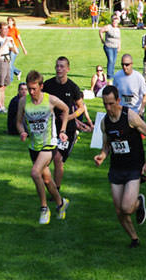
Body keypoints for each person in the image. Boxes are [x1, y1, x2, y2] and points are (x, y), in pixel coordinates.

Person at [94, 85, 146, 248]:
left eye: (111, 103)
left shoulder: (129, 116)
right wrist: (102, 156)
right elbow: (107, 146)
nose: (108, 107)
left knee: (127, 208)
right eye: (105, 104)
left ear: (118, 101)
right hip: (116, 168)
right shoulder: (105, 122)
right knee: (119, 211)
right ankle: (134, 239)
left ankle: (138, 202)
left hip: (134, 166)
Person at [15, 70, 70, 225]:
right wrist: (22, 132)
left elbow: (66, 109)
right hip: (34, 146)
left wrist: (63, 130)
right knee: (46, 179)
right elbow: (18, 122)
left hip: (49, 144)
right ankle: (61, 203)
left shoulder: (50, 99)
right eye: (29, 89)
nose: (31, 92)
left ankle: (44, 208)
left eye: (34, 88)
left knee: (34, 173)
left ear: (41, 86)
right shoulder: (23, 102)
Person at [43, 56, 90, 194]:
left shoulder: (73, 87)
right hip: (50, 127)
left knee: (58, 159)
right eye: (57, 66)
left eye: (62, 66)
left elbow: (81, 108)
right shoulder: (48, 85)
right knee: (45, 160)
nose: (59, 69)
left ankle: (56, 190)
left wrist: (69, 117)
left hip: (67, 129)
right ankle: (48, 186)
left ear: (68, 69)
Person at [0, 21, 17, 113]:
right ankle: (0, 106)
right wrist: (5, 42)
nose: (6, 31)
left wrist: (13, 43)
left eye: (7, 29)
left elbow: (15, 51)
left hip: (7, 61)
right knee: (0, 85)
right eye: (4, 29)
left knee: (4, 85)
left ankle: (3, 105)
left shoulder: (7, 38)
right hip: (1, 61)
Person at [7, 17, 27, 82]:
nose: (9, 22)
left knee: (10, 63)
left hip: (15, 48)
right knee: (8, 64)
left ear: (13, 22)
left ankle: (10, 80)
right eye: (8, 21)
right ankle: (17, 72)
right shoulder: (6, 29)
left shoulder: (15, 30)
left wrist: (24, 49)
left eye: (10, 21)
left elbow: (20, 40)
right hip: (8, 48)